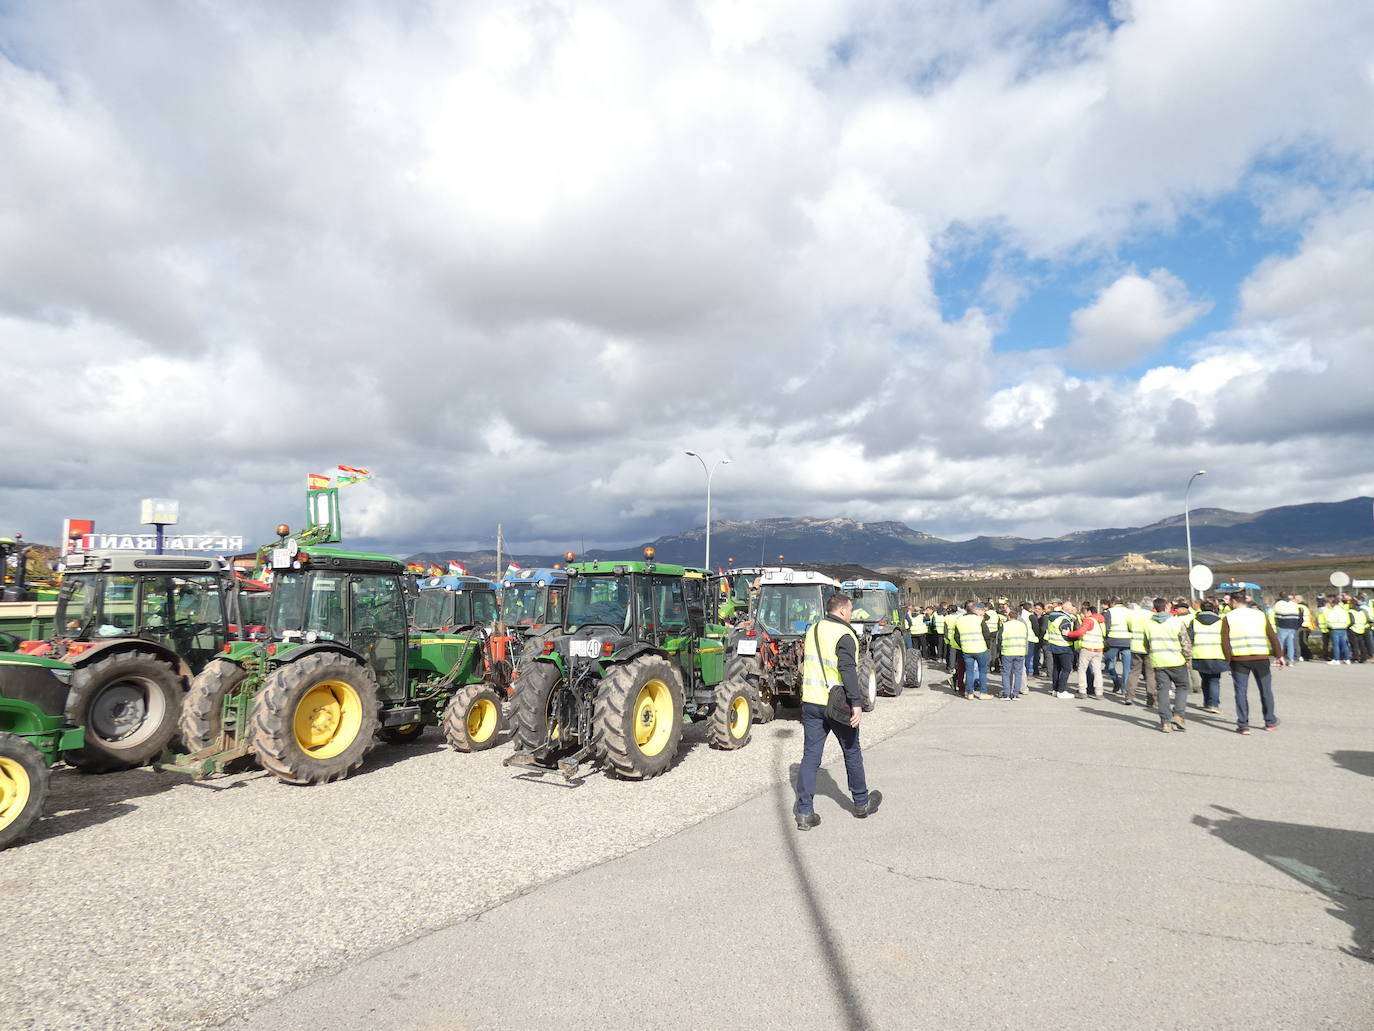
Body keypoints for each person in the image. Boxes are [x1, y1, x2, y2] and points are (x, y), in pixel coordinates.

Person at [796, 593, 880, 830]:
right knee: (851, 750)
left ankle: (804, 812)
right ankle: (861, 803)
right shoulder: (845, 634)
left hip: (811, 701)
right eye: (851, 609)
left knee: (810, 756)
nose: (852, 614)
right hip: (837, 702)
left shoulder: (813, 629)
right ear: (842, 611)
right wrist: (856, 702)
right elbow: (848, 670)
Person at [1223, 594, 1285, 735]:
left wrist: (1228, 660)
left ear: (1233, 602)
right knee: (1265, 690)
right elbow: (1272, 636)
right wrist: (1279, 655)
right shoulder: (1259, 615)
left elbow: (1225, 642)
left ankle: (1243, 725)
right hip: (1261, 658)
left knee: (1240, 692)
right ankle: (1269, 721)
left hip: (1239, 659)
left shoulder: (1229, 617)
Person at [1143, 597, 1191, 732]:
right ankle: (1179, 715)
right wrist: (1188, 659)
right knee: (1182, 686)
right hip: (1176, 661)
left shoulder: (1148, 624)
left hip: (1159, 661)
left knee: (1163, 690)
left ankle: (1165, 722)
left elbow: (1146, 644)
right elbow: (1185, 643)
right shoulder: (1176, 622)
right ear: (1167, 607)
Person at [1190, 599, 1227, 713]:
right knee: (1214, 680)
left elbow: (1190, 638)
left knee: (1205, 679)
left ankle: (1206, 702)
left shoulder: (1194, 621)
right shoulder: (1221, 621)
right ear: (1213, 609)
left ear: (1201, 608)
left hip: (1199, 654)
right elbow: (1225, 639)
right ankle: (1214, 704)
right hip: (1217, 654)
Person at [953, 600, 992, 699]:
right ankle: (983, 693)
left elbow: (956, 637)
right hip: (981, 649)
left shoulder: (959, 620)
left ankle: (969, 693)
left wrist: (963, 646)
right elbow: (987, 635)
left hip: (967, 650)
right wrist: (987, 646)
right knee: (982, 671)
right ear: (975, 610)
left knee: (969, 672)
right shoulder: (979, 620)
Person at [1066, 604, 1106, 697]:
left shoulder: (1089, 620)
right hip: (1099, 649)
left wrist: (1068, 633)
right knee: (1097, 671)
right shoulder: (1101, 621)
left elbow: (1080, 632)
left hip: (1088, 648)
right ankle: (1099, 693)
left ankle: (1082, 691)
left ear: (1089, 612)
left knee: (1082, 670)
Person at [1043, 600, 1079, 699]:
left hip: (1054, 645)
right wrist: (1077, 637)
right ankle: (1061, 691)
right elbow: (1066, 634)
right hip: (1064, 646)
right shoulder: (1065, 620)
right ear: (1067, 609)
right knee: (1066, 669)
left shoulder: (1054, 617)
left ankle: (1055, 689)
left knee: (1056, 668)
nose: (1073, 608)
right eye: (1072, 607)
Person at [1103, 596, 1133, 693]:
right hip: (1127, 641)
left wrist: (1105, 639)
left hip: (1113, 640)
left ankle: (1116, 680)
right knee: (1127, 666)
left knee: (1108, 660)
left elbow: (1106, 627)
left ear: (1113, 603)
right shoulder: (1129, 611)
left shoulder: (1110, 612)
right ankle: (1125, 688)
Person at [999, 612, 1028, 700]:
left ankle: (1007, 694)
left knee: (1006, 673)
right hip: (1020, 651)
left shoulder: (1005, 625)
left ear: (1009, 617)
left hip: (1007, 651)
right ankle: (1016, 694)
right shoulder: (1023, 625)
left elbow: (1000, 638)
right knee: (1018, 673)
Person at [1271, 593, 1302, 665]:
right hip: (1293, 625)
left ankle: (1279, 659)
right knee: (1290, 643)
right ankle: (1290, 660)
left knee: (1280, 643)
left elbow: (1276, 614)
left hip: (1283, 624)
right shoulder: (1294, 604)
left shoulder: (1279, 603)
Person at [1324, 595, 1352, 664]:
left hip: (1335, 629)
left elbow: (1328, 620)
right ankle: (1347, 659)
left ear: (1333, 604)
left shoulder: (1332, 611)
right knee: (1344, 644)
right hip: (1343, 628)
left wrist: (1330, 626)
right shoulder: (1343, 611)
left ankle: (1337, 659)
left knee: (1336, 645)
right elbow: (1348, 620)